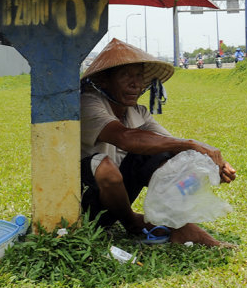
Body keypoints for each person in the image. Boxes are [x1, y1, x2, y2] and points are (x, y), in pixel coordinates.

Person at [80, 38, 237, 247]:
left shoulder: (138, 112)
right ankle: (132, 224)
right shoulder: (89, 103)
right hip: (85, 205)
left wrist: (211, 162)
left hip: (114, 204)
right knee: (105, 166)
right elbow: (125, 138)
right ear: (104, 81)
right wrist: (190, 144)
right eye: (125, 76)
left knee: (162, 155)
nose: (135, 83)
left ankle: (181, 227)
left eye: (138, 76)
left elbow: (170, 146)